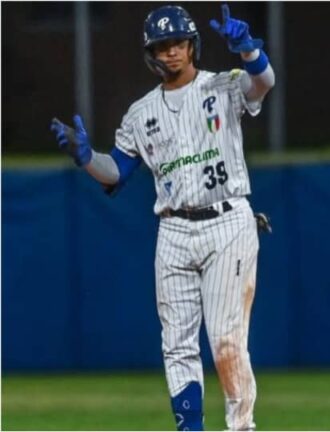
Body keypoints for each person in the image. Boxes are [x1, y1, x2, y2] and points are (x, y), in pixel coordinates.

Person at [50, 4, 274, 431]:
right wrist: (85, 158)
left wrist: (248, 51)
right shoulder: (140, 113)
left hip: (227, 221)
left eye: (178, 42)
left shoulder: (223, 85)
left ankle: (241, 426)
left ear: (192, 45)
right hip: (172, 228)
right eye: (162, 45)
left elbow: (264, 83)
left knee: (226, 340)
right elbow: (115, 172)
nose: (172, 52)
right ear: (150, 53)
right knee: (176, 344)